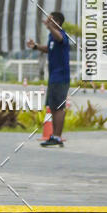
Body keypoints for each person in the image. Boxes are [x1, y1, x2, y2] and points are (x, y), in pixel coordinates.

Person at [27, 11, 70, 147]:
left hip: (61, 76)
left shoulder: (61, 34)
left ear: (56, 22)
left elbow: (59, 39)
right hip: (54, 76)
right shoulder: (52, 36)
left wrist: (51, 26)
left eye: (50, 20)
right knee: (53, 107)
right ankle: (54, 136)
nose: (47, 22)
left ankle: (57, 137)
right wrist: (35, 46)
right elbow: (49, 49)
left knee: (59, 107)